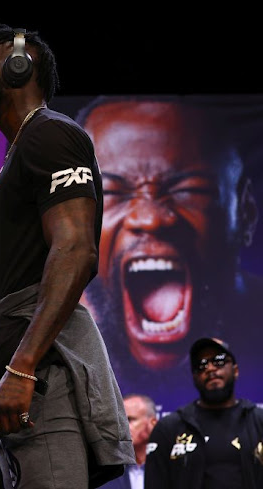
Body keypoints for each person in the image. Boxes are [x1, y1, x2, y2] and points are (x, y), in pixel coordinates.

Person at [0, 23, 134, 488]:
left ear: (19, 66)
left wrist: (20, 368)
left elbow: (75, 252)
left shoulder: (51, 135)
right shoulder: (22, 150)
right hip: (26, 397)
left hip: (42, 384)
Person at [74, 96, 263, 396]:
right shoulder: (50, 340)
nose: (150, 219)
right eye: (111, 192)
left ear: (246, 213)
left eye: (190, 190)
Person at [144, 337, 263, 488]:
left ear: (235, 370)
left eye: (219, 361)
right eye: (201, 365)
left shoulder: (259, 422)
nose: (210, 368)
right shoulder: (169, 429)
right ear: (194, 378)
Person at [102, 394, 159, 489]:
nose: (122, 427)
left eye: (130, 420)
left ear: (152, 423)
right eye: (119, 422)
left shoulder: (169, 467)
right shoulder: (108, 472)